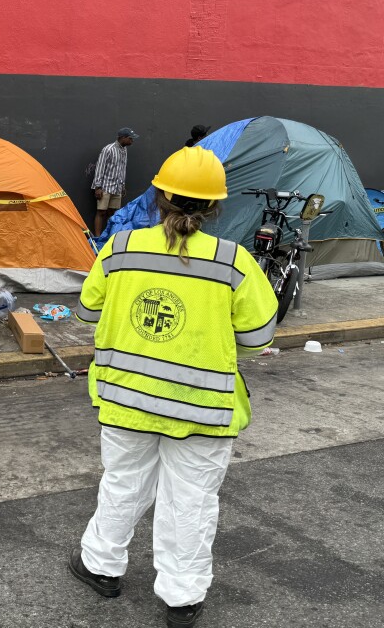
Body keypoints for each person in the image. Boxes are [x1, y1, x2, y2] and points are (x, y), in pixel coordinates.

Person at [70, 146, 278, 628]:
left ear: (159, 196)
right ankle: (181, 599)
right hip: (202, 411)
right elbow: (257, 337)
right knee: (192, 501)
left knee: (123, 483)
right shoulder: (234, 262)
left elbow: (86, 312)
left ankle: (101, 567)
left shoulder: (119, 249)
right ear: (214, 207)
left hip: (126, 402)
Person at [91, 127, 138, 236]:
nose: (132, 141)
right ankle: (98, 238)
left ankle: (110, 236)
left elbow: (122, 168)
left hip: (117, 188)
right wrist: (98, 187)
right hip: (105, 187)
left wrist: (122, 186)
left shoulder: (124, 150)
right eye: (130, 139)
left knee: (113, 213)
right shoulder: (108, 149)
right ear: (123, 138)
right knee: (101, 212)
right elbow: (100, 167)